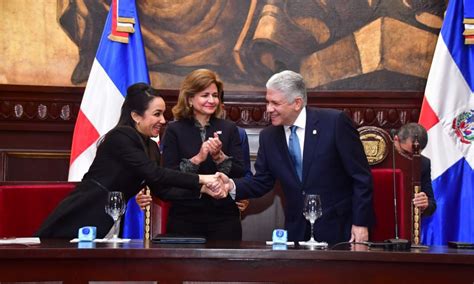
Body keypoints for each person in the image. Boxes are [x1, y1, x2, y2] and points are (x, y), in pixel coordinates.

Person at [35, 82, 228, 239]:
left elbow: (164, 190)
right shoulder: (121, 137)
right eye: (157, 114)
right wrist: (203, 179)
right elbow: (155, 173)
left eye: (163, 114)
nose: (163, 121)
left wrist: (203, 190)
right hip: (83, 216)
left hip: (110, 221)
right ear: (136, 115)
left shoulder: (151, 147)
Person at [221, 70, 375, 244]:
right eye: (267, 102)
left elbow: (361, 177)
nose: (268, 109)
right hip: (296, 232)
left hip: (340, 229)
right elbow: (262, 181)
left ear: (297, 103)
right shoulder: (269, 136)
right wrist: (231, 186)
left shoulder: (334, 123)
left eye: (275, 103)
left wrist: (361, 223)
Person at [137, 69, 246, 240]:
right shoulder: (174, 130)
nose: (212, 100)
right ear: (189, 99)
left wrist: (219, 157)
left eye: (215, 95)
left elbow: (240, 172)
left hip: (224, 217)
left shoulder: (229, 128)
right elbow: (168, 175)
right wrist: (197, 159)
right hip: (185, 217)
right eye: (205, 95)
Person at [394, 123, 436, 216]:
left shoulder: (423, 163)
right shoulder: (379, 158)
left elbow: (432, 204)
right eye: (405, 153)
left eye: (415, 155)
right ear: (396, 140)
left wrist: (425, 204)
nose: (410, 159)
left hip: (405, 219)